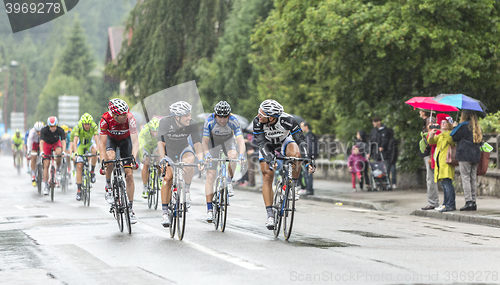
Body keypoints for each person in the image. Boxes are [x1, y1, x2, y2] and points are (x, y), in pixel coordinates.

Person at [253, 99, 314, 229]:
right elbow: (261, 143)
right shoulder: (257, 121)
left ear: (271, 117)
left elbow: (301, 141)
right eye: (259, 112)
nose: (258, 115)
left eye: (262, 114)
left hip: (284, 142)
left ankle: (293, 186)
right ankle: (270, 215)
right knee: (268, 176)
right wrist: (269, 159)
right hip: (267, 145)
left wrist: (308, 160)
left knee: (297, 156)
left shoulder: (288, 120)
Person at [157, 101, 205, 227]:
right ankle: (164, 213)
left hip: (184, 148)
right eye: (186, 116)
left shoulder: (192, 123)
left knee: (189, 161)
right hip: (169, 151)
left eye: (189, 115)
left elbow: (197, 143)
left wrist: (200, 159)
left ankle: (187, 191)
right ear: (177, 117)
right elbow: (160, 143)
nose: (189, 118)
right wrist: (163, 159)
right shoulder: (165, 123)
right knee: (167, 179)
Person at [202, 101, 246, 223]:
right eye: (219, 117)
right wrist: (207, 155)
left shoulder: (234, 120)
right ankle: (210, 210)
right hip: (213, 145)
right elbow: (204, 143)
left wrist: (242, 155)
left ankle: (229, 182)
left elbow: (241, 141)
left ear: (229, 115)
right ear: (215, 115)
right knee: (210, 176)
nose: (222, 120)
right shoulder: (209, 121)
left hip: (228, 142)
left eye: (225, 117)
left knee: (234, 155)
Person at [99, 98, 139, 224]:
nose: (125, 116)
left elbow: (135, 142)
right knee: (110, 158)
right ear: (115, 115)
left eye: (126, 113)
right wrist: (103, 162)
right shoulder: (105, 120)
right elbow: (102, 144)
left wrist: (133, 158)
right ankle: (109, 186)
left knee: (129, 174)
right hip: (111, 140)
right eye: (123, 115)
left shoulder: (130, 119)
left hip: (125, 142)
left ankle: (130, 209)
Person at [451, 110, 483, 211]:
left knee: (465, 178)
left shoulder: (463, 126)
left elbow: (454, 137)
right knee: (473, 178)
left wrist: (455, 127)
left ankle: (468, 201)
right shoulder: (477, 127)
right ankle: (473, 202)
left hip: (464, 155)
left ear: (464, 115)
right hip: (475, 156)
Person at [427, 113, 456, 212]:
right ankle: (445, 203)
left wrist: (443, 131)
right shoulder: (440, 135)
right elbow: (431, 141)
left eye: (445, 122)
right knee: (444, 185)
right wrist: (432, 133)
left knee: (448, 185)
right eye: (441, 122)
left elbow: (451, 140)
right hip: (440, 164)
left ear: (449, 124)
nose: (442, 124)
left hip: (447, 164)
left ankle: (450, 204)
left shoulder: (450, 133)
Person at [72, 113, 99, 201]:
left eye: (88, 124)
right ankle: (79, 190)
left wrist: (98, 150)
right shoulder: (78, 127)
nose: (87, 126)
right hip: (81, 145)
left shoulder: (94, 126)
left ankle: (92, 172)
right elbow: (75, 140)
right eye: (85, 124)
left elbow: (96, 139)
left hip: (89, 144)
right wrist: (75, 152)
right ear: (82, 123)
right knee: (79, 165)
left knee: (94, 151)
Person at [40, 116, 66, 195]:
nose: (52, 128)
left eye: (54, 126)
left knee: (59, 152)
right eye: (51, 127)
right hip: (47, 144)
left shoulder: (60, 130)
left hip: (56, 143)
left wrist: (64, 151)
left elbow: (63, 141)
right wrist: (41, 151)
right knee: (46, 164)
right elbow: (41, 142)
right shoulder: (44, 130)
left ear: (56, 125)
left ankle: (58, 169)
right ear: (48, 126)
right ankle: (46, 185)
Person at [419, 116, 440, 210]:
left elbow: (431, 143)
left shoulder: (436, 132)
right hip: (430, 156)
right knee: (430, 179)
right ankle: (432, 201)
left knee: (431, 179)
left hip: (433, 156)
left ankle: (433, 202)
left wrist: (430, 135)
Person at [137, 117, 160, 199]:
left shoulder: (162, 131)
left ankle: (160, 177)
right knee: (146, 163)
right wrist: (141, 156)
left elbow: (164, 144)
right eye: (153, 131)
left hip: (156, 146)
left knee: (159, 158)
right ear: (150, 129)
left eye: (157, 131)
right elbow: (140, 145)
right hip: (146, 146)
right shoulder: (144, 130)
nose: (155, 133)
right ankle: (145, 187)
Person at [298, 121, 318, 196]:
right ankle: (308, 189)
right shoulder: (309, 135)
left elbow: (309, 147)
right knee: (306, 173)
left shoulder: (309, 136)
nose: (301, 128)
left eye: (302, 126)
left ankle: (309, 189)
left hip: (309, 157)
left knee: (308, 173)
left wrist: (307, 156)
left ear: (306, 127)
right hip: (310, 157)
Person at [27, 121, 44, 186]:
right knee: (33, 157)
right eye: (37, 131)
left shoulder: (44, 132)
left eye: (40, 131)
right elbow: (30, 142)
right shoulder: (32, 132)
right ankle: (33, 174)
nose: (39, 133)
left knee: (44, 158)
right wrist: (29, 152)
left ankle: (42, 172)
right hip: (34, 144)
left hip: (42, 143)